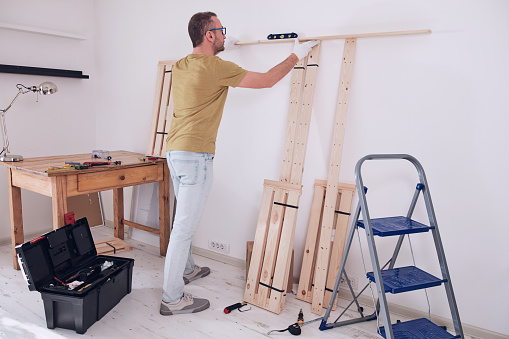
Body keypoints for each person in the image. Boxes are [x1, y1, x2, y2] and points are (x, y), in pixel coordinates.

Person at [160, 11, 318, 316]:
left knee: (184, 220)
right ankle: (172, 299)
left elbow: (202, 62)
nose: (224, 34)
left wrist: (224, 45)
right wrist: (296, 54)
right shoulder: (217, 68)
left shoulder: (181, 65)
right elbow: (268, 80)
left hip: (175, 152)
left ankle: (188, 269)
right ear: (209, 35)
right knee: (183, 228)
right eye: (221, 30)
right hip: (196, 157)